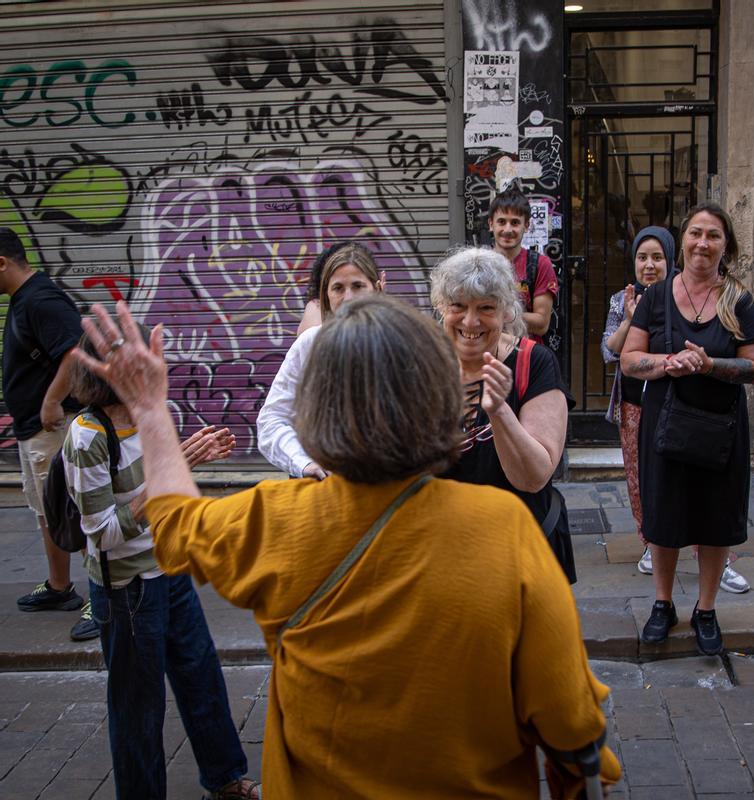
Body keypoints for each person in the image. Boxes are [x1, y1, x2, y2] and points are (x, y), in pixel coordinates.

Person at [72, 296, 620, 797]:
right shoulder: (504, 530)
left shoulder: (273, 519)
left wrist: (149, 412)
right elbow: (570, 722)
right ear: (437, 401)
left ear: (316, 411)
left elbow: (172, 523)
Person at [63, 329, 255, 800]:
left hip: (170, 570)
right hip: (127, 590)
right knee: (138, 708)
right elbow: (103, 532)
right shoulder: (87, 437)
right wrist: (160, 481)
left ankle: (226, 778)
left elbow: (162, 493)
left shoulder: (153, 415)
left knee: (201, 676)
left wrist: (188, 459)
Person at [620, 203, 754, 656]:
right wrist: (670, 363)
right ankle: (662, 604)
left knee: (714, 518)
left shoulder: (737, 299)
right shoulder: (656, 296)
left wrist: (709, 364)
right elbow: (628, 359)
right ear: (682, 240)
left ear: (726, 245)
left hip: (720, 427)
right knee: (664, 516)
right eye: (696, 233)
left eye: (714, 235)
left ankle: (706, 609)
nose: (703, 243)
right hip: (665, 424)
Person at [601, 226, 750, 592]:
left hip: (691, 409)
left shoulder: (707, 299)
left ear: (671, 259)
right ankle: (651, 544)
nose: (649, 265)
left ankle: (714, 560)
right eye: (642, 257)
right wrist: (630, 319)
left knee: (704, 494)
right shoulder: (626, 299)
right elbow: (611, 352)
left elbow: (752, 362)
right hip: (639, 404)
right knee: (645, 483)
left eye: (657, 258)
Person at [433, 248, 576, 581]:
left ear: (506, 313)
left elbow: (533, 476)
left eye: (485, 308)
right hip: (445, 554)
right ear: (442, 308)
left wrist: (499, 410)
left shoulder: (535, 363)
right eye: (458, 306)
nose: (470, 321)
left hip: (517, 553)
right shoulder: (425, 363)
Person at [0, 227, 95, 641]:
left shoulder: (41, 299)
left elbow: (76, 351)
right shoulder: (24, 299)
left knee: (78, 510)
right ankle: (60, 587)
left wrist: (52, 402)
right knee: (46, 511)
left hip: (51, 429)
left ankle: (103, 597)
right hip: (33, 430)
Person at [258, 242, 382, 478]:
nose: (348, 297)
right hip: (321, 492)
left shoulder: (401, 343)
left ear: (376, 288)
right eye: (338, 288)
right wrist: (304, 464)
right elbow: (271, 420)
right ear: (325, 294)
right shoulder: (309, 345)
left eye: (358, 286)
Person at [488, 186, 558, 342]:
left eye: (515, 223)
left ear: (526, 226)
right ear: (491, 224)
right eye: (501, 222)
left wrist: (497, 314)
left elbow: (542, 324)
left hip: (527, 356)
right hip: (486, 354)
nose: (507, 229)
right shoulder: (478, 263)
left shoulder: (540, 264)